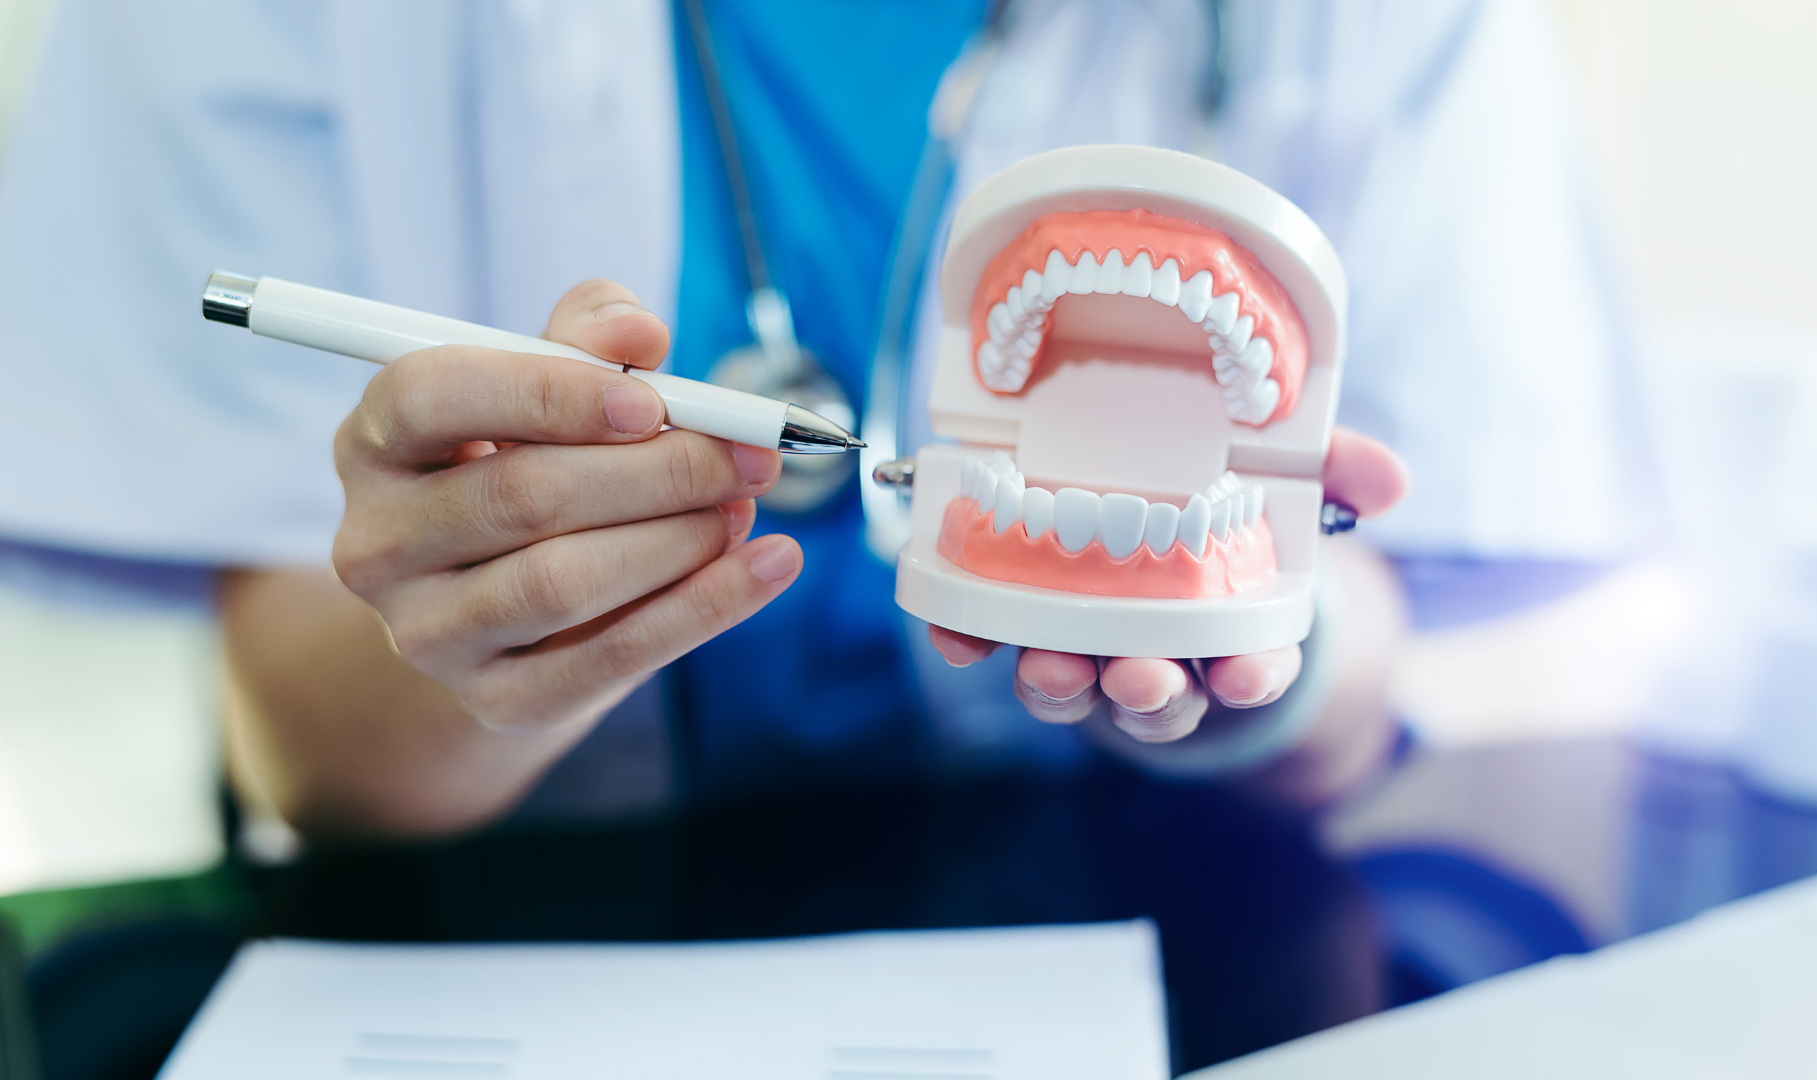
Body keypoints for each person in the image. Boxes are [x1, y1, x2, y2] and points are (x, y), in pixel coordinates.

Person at [0, 0, 1647, 1056]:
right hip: (505, 946)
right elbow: (315, 750)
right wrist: (479, 618)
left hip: (1159, 934)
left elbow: (1353, 671)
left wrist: (1264, 642)